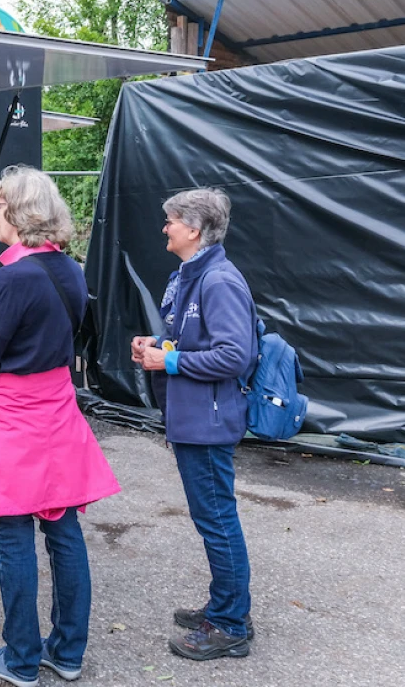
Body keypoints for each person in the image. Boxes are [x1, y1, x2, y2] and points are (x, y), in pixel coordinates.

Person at [0, 166, 120, 687]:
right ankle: (67, 653)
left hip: (10, 421)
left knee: (14, 535)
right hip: (57, 413)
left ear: (18, 213)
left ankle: (21, 659)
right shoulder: (69, 269)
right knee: (64, 530)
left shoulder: (13, 277)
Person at [131, 187, 257, 662]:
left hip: (208, 420)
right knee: (214, 518)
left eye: (171, 220)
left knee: (218, 520)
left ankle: (229, 624)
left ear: (195, 229)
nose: (164, 227)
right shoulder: (192, 275)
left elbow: (233, 355)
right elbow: (188, 338)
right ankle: (226, 606)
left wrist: (172, 361)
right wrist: (156, 345)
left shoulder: (219, 281)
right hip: (194, 418)